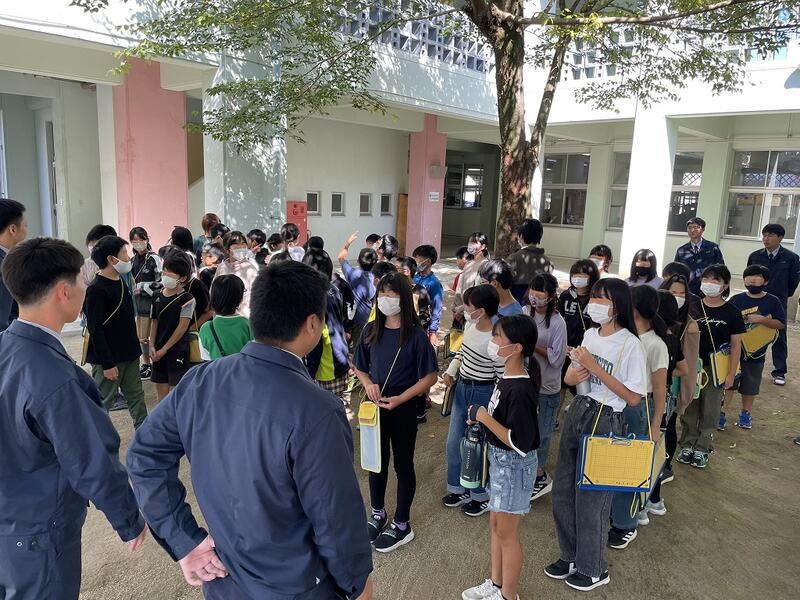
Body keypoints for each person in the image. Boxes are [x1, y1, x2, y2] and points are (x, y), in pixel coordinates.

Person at [127, 261, 374, 599]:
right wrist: (357, 583)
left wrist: (185, 540)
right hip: (297, 588)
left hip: (224, 581)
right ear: (312, 324)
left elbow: (144, 456)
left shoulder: (200, 382)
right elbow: (336, 521)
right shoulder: (318, 410)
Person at [0, 237, 146, 599]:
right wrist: (129, 519)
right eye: (82, 278)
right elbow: (90, 458)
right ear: (63, 292)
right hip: (38, 534)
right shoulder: (56, 377)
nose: (86, 285)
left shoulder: (7, 345)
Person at [545, 278, 647, 592]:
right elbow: (572, 378)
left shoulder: (630, 344)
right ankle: (570, 556)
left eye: (604, 299)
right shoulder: (590, 334)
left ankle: (593, 568)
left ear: (619, 305)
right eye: (595, 297)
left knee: (593, 500)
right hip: (580, 408)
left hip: (607, 420)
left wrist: (594, 366)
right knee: (563, 490)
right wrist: (574, 372)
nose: (596, 304)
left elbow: (633, 397)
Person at [355, 272, 438, 552]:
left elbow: (430, 376)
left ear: (403, 298)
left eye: (391, 294)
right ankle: (377, 513)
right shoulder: (371, 330)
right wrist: (368, 383)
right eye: (382, 294)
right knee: (375, 462)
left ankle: (402, 524)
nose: (385, 299)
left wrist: (402, 398)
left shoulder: (415, 335)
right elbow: (360, 366)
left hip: (402, 408)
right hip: (375, 407)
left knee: (403, 465)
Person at [461, 315, 541, 600]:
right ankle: (495, 584)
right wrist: (482, 418)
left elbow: (519, 442)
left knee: (508, 534)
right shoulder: (507, 377)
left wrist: (483, 417)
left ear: (517, 348)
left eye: (497, 337)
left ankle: (508, 595)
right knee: (496, 526)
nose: (492, 341)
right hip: (500, 462)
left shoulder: (520, 388)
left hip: (514, 466)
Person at [608, 285, 668, 550]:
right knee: (611, 462)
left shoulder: (655, 344)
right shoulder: (622, 335)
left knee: (629, 468)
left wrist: (656, 424)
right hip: (614, 404)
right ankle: (614, 514)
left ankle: (625, 523)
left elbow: (660, 389)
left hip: (637, 408)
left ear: (635, 308)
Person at [442, 284, 504, 517]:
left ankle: (480, 494)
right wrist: (451, 371)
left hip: (483, 393)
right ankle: (458, 487)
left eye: (469, 306)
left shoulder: (496, 337)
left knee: (478, 445)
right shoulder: (470, 325)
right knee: (454, 442)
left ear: (482, 310)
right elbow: (462, 353)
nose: (465, 310)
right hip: (462, 388)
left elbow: (501, 375)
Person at [677, 264, 745, 469]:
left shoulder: (732, 312)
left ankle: (703, 447)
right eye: (706, 278)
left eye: (716, 280)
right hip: (691, 367)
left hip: (716, 371)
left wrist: (731, 374)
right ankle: (687, 444)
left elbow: (736, 345)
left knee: (711, 410)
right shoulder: (692, 306)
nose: (710, 283)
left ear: (725, 285)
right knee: (689, 405)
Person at [84, 235, 148, 428]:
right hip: (109, 359)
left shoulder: (121, 280)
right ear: (111, 259)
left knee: (136, 397)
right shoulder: (96, 289)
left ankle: (145, 434)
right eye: (124, 253)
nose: (128, 257)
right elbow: (95, 329)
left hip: (130, 354)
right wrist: (107, 364)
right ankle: (98, 439)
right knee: (103, 402)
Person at [725, 265, 786, 429]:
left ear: (765, 281)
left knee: (750, 384)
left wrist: (762, 320)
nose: (752, 279)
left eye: (757, 276)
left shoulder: (773, 301)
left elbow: (780, 324)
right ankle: (722, 413)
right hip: (734, 349)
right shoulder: (736, 299)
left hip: (756, 352)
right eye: (749, 276)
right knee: (729, 382)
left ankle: (746, 414)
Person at [645, 291, 688, 517]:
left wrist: (659, 377)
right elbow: (684, 369)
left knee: (646, 450)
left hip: (652, 400)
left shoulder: (654, 341)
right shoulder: (671, 339)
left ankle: (642, 504)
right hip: (666, 398)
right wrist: (667, 374)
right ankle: (655, 500)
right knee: (656, 450)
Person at [527, 274, 567, 502]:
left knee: (543, 432)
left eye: (540, 292)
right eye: (532, 290)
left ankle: (540, 474)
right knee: (527, 429)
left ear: (551, 296)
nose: (534, 296)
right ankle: (530, 469)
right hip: (527, 383)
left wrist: (533, 345)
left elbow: (557, 359)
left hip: (547, 386)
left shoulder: (558, 323)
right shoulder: (526, 312)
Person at [746, 223, 800, 386]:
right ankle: (746, 367)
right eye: (764, 235)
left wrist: (782, 294)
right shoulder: (755, 256)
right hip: (756, 300)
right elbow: (749, 276)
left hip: (778, 301)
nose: (766, 239)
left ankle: (779, 371)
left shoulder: (791, 258)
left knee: (779, 335)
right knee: (750, 332)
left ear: (780, 237)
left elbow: (793, 281)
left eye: (770, 235)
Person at [658, 274, 700, 484]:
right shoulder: (652, 318)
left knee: (667, 425)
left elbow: (688, 368)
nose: (677, 297)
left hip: (671, 386)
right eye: (673, 292)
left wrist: (684, 398)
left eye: (682, 293)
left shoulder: (690, 326)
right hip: (653, 384)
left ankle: (666, 467)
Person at [303, 249, 351, 402]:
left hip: (326, 367)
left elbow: (318, 337)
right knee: (339, 403)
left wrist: (310, 371)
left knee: (326, 405)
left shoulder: (315, 298)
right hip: (341, 356)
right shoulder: (333, 289)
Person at [150, 251, 197, 401]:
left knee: (176, 394)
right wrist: (151, 345)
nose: (165, 275)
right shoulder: (156, 295)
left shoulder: (187, 299)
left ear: (182, 278)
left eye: (170, 273)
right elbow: (154, 321)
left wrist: (164, 349)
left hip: (177, 351)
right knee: (161, 393)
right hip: (157, 350)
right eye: (164, 271)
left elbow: (182, 327)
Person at [559, 260, 600, 407]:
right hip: (566, 348)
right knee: (561, 384)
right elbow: (559, 320)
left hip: (585, 350)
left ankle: (581, 408)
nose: (577, 278)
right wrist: (562, 344)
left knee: (583, 384)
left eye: (582, 275)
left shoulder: (596, 298)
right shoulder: (565, 296)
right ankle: (557, 415)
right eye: (575, 275)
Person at [130, 226, 162, 380]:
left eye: (141, 240)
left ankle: (155, 363)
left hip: (152, 304)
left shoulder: (154, 258)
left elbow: (161, 282)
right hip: (138, 306)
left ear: (147, 240)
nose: (138, 243)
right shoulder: (132, 261)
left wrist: (142, 288)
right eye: (134, 241)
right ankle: (146, 363)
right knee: (141, 337)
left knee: (152, 336)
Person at [338, 232, 379, 346]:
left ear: (358, 261)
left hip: (353, 319)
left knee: (353, 347)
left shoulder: (353, 274)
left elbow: (341, 257)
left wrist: (348, 243)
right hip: (369, 319)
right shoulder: (377, 279)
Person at [198, 274, 252, 360]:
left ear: (213, 297)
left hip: (217, 368)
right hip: (244, 368)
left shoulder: (206, 328)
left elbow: (205, 357)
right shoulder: (247, 325)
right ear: (240, 298)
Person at [506, 218, 554, 302]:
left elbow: (505, 285)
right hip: (539, 303)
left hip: (516, 303)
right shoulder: (548, 262)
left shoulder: (513, 259)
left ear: (521, 236)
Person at [674, 217, 724, 295]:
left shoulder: (713, 248)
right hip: (688, 289)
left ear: (703, 229)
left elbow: (720, 268)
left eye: (695, 227)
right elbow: (676, 271)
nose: (692, 230)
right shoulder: (681, 250)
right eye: (689, 228)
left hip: (707, 288)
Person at [215, 231, 259, 318]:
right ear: (227, 249)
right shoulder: (222, 267)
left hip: (244, 317)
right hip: (223, 316)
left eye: (243, 243)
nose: (241, 246)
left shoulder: (250, 269)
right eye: (237, 244)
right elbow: (215, 292)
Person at [0, 199, 27, 331]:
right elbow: (2, 321)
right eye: (25, 226)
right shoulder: (4, 266)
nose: (26, 232)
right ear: (13, 229)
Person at [454, 232, 490, 326]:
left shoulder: (485, 265)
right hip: (461, 308)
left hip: (474, 310)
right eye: (470, 242)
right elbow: (460, 287)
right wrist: (457, 306)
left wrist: (464, 308)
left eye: (474, 242)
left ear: (483, 246)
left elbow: (480, 290)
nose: (470, 245)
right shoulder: (469, 264)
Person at [411, 244, 444, 346]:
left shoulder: (434, 283)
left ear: (428, 261)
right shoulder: (414, 277)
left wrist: (432, 331)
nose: (415, 262)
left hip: (423, 324)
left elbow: (437, 307)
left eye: (417, 259)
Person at [80, 224, 117, 288]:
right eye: (91, 244)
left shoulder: (118, 264)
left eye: (96, 245)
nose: (93, 248)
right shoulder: (84, 265)